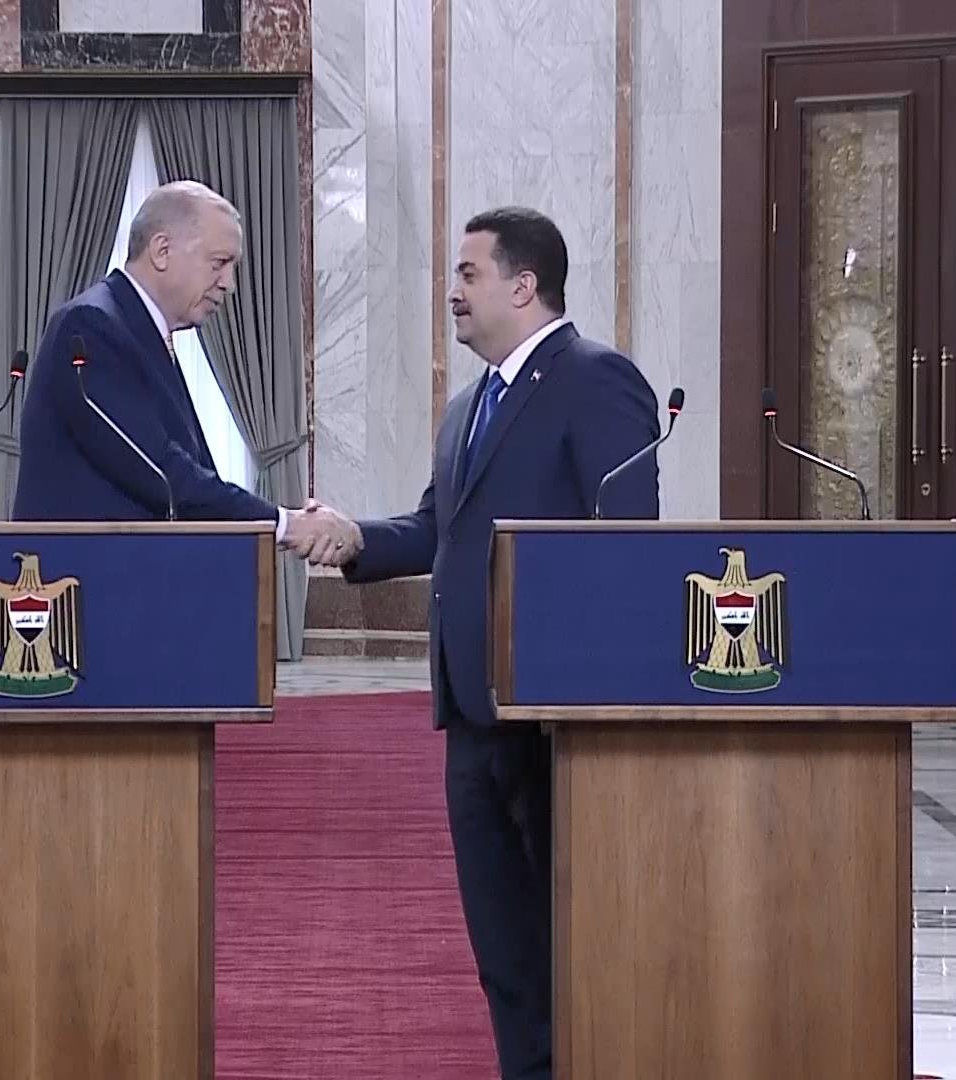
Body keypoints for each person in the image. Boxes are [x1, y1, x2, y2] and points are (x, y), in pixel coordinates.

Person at [297, 207, 660, 1079]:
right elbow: (440, 528)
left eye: (468, 275)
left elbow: (626, 545)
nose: (452, 293)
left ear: (524, 285)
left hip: (551, 714)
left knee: (567, 936)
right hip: (470, 711)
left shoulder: (597, 380)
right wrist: (354, 536)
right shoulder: (469, 405)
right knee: (503, 947)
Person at [12, 180, 353, 558]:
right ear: (162, 251)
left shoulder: (143, 333)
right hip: (81, 581)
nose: (229, 284)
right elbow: (162, 473)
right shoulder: (91, 326)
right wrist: (285, 524)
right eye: (219, 263)